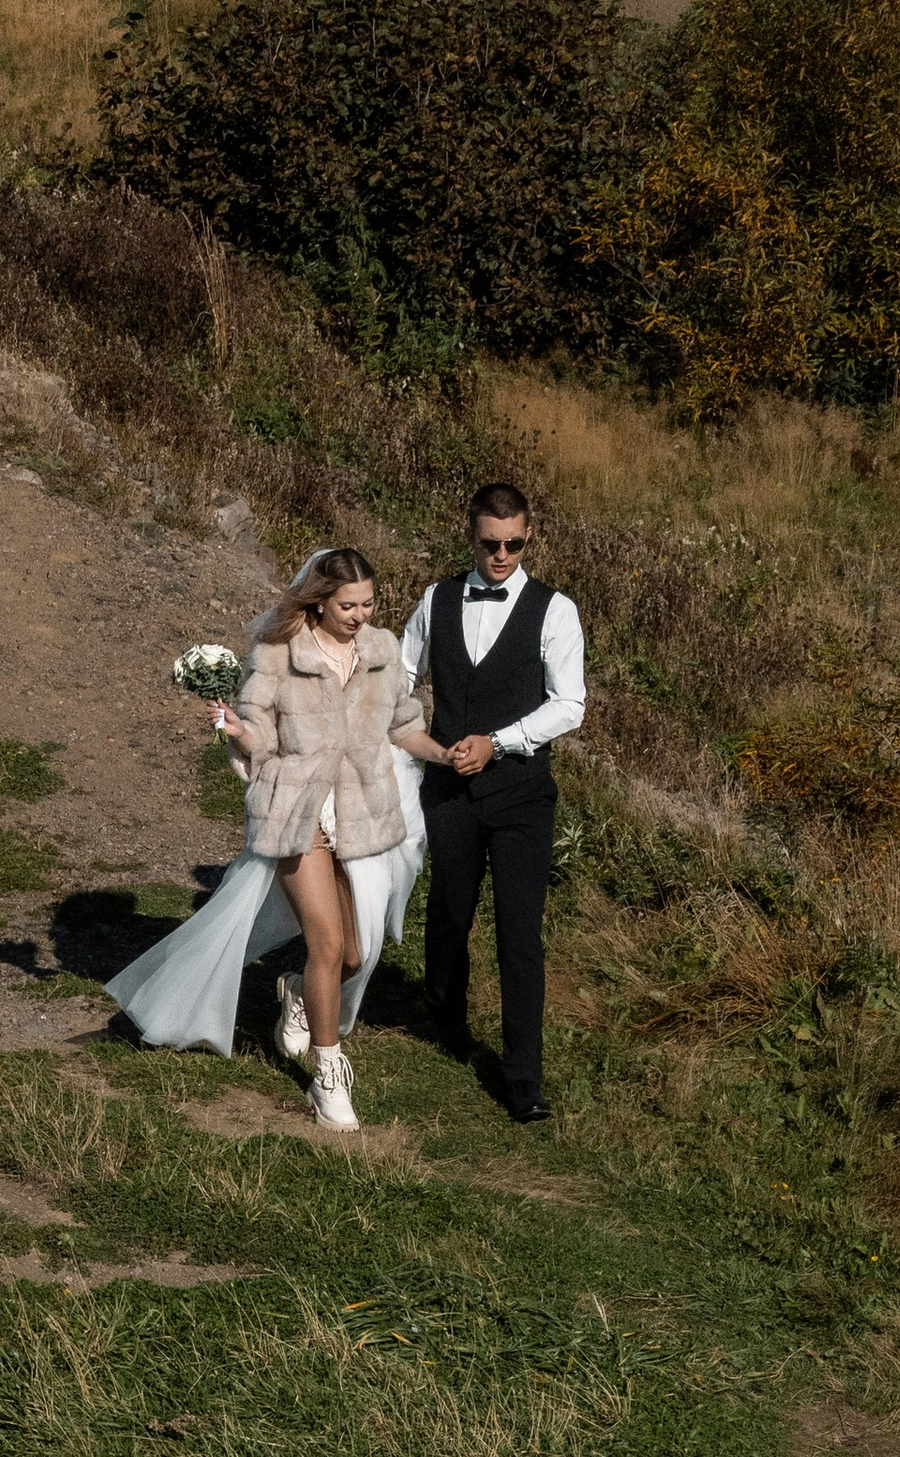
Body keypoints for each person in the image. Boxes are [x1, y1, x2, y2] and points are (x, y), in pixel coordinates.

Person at [106, 548, 445, 1130]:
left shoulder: (382, 652)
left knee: (355, 953)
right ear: (318, 601)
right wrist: (238, 729)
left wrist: (445, 755)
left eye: (368, 603)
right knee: (329, 945)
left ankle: (294, 992)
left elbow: (403, 724)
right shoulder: (277, 653)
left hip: (359, 813)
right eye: (348, 605)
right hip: (297, 812)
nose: (360, 615)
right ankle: (328, 1076)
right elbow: (260, 734)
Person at [398, 482, 587, 1126]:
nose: (502, 554)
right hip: (449, 787)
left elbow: (569, 704)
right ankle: (443, 1018)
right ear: (470, 534)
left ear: (527, 537)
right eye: (490, 543)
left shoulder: (555, 610)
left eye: (514, 543)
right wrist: (424, 745)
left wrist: (500, 742)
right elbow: (400, 680)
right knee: (449, 909)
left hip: (521, 796)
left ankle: (522, 1076)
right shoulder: (436, 599)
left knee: (519, 933)